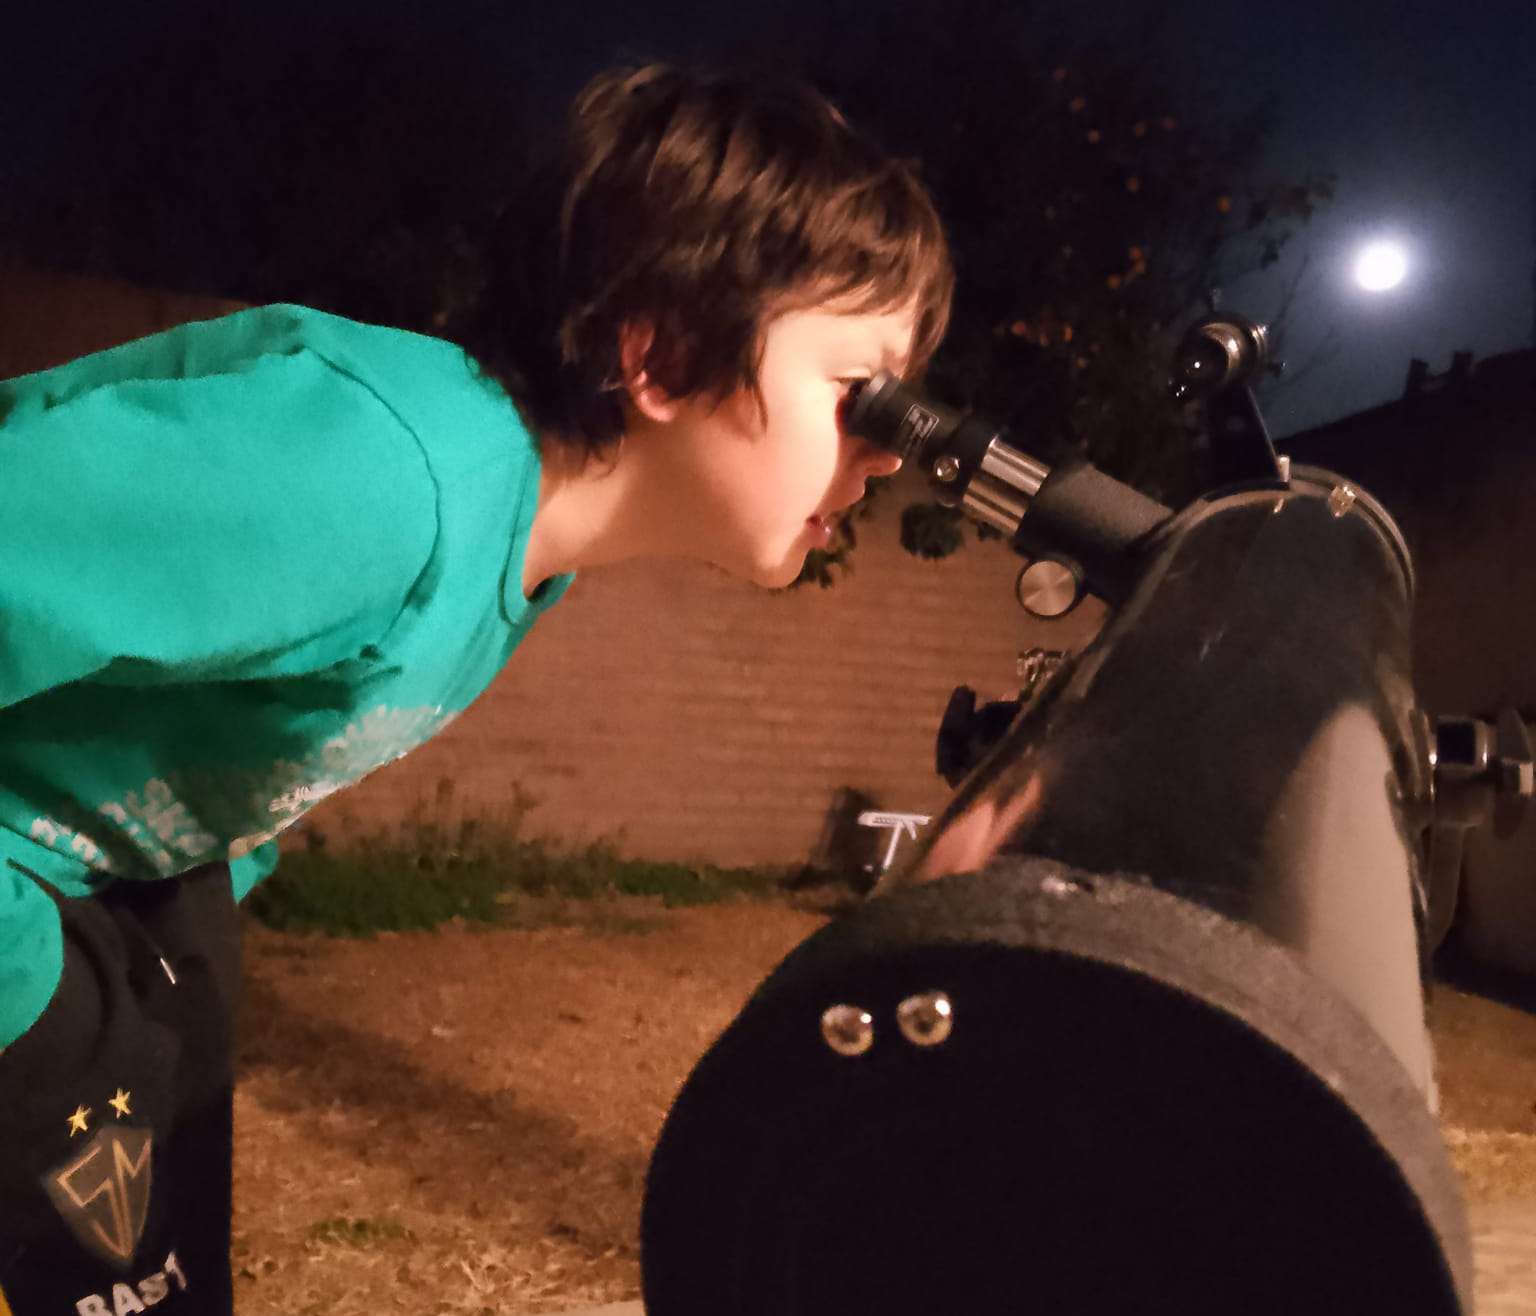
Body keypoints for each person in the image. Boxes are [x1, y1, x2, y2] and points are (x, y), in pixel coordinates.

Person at [0, 61, 952, 1313]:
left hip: (133, 918)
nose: (889, 452)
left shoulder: (513, 544)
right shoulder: (382, 474)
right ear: (659, 356)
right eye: (858, 392)